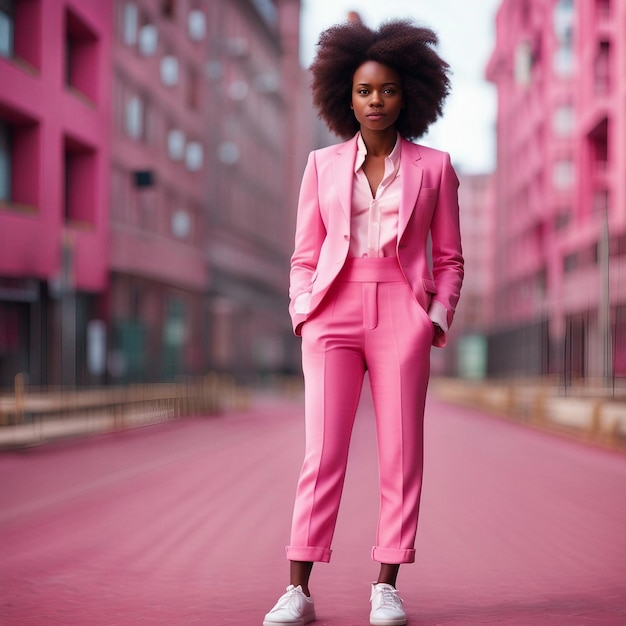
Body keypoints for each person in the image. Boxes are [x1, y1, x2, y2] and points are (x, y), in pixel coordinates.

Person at [264, 17, 464, 626]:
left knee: (402, 454)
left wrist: (434, 317)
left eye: (387, 90)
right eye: (363, 90)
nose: (375, 101)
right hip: (332, 312)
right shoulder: (321, 166)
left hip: (403, 312)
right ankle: (297, 586)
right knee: (322, 451)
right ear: (344, 96)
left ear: (409, 96)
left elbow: (450, 258)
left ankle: (386, 583)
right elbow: (304, 254)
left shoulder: (435, 167)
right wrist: (303, 311)